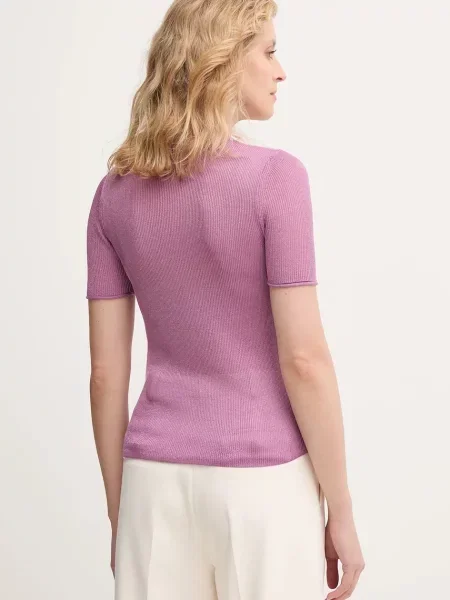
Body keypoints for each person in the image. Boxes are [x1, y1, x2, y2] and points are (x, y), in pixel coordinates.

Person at [86, 1, 365, 598]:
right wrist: (340, 510)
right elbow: (304, 360)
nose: (281, 70)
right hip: (261, 485)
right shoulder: (275, 179)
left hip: (151, 484)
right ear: (223, 60)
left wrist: (120, 510)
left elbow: (106, 375)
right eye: (268, 51)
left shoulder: (113, 195)